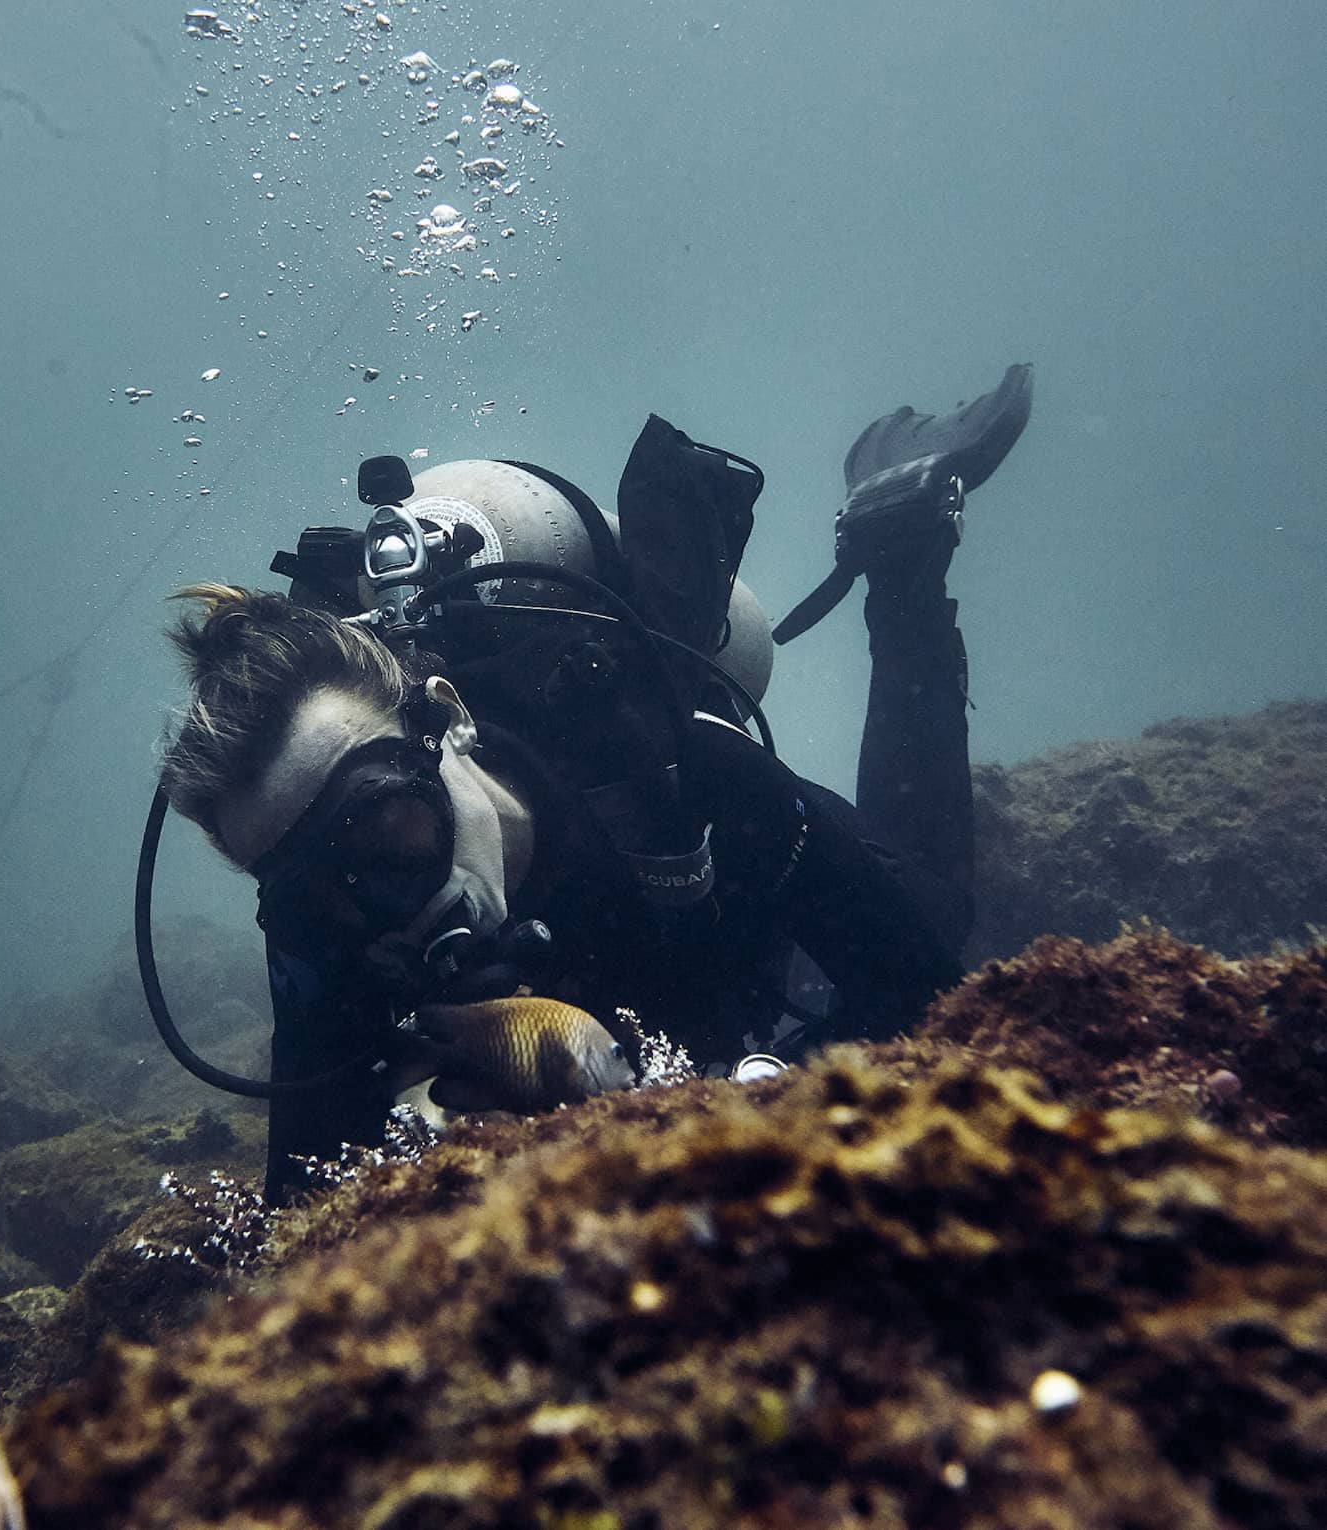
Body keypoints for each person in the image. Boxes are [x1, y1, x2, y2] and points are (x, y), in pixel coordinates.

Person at [157, 368, 1032, 1202]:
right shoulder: (328, 944)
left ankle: (903, 551)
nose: (392, 907)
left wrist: (756, 1103)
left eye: (392, 830)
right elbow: (306, 1215)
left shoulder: (675, 769)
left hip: (721, 917)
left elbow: (929, 1005)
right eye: (318, 896)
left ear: (448, 721)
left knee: (938, 906)